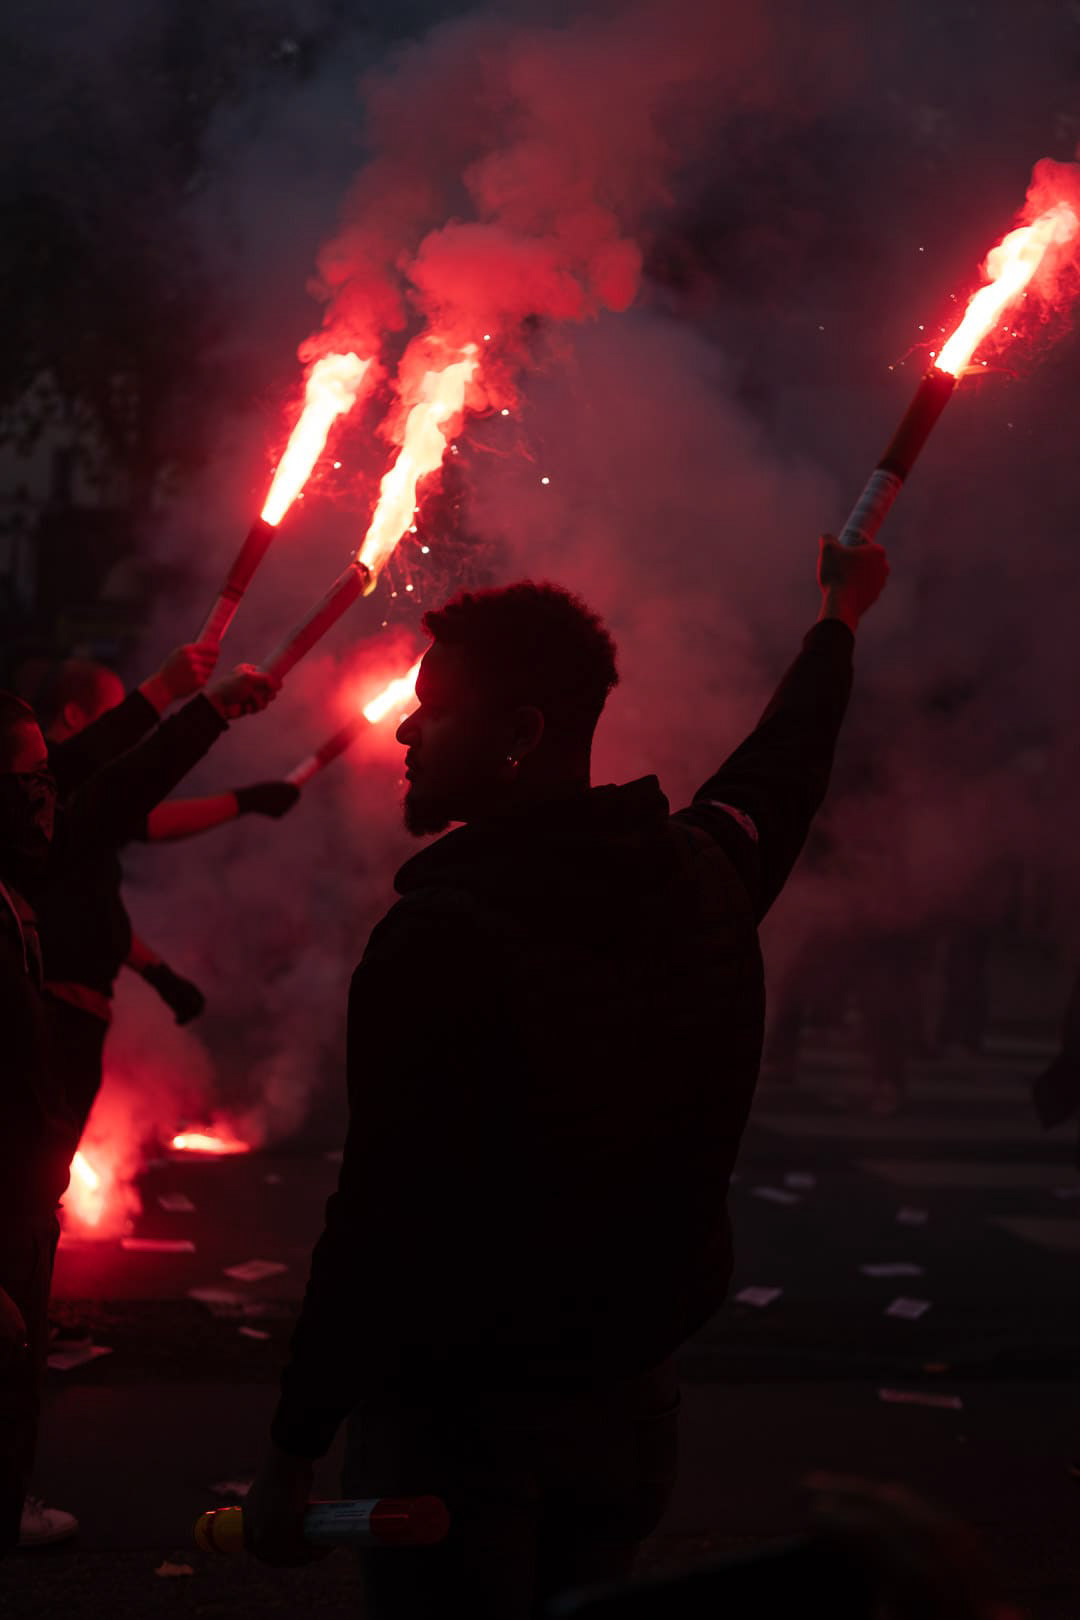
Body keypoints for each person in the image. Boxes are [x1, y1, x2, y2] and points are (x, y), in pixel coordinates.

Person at [247, 535, 888, 1616]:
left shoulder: (439, 938)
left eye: (433, 708)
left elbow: (380, 1222)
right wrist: (838, 617)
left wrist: (292, 1449)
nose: (403, 730)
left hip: (459, 1436)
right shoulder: (699, 873)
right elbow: (783, 767)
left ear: (520, 736)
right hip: (630, 1415)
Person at [0, 663, 278, 1555]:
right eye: (28, 784)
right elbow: (115, 786)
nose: (47, 799)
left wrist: (198, 712)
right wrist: (183, 704)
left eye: (49, 781)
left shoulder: (27, 867)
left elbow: (106, 799)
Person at [33, 654, 301, 1155]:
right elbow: (130, 794)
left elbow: (100, 895)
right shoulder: (44, 806)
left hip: (74, 1015)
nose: (124, 734)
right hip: (50, 1016)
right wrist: (176, 698)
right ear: (74, 716)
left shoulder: (69, 817)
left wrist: (157, 972)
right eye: (114, 714)